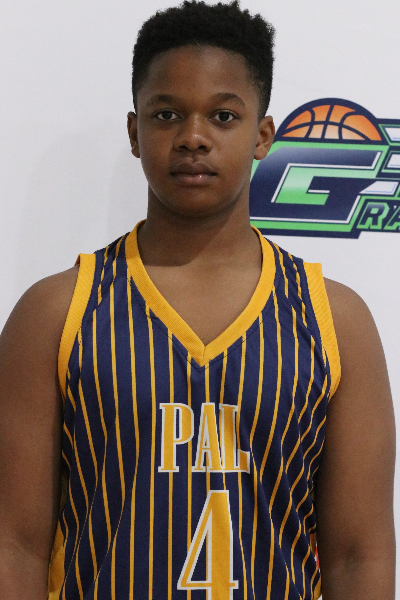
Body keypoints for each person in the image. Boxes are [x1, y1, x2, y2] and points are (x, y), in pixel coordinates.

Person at [0, 2, 396, 599]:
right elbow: (14, 544)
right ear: (135, 133)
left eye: (223, 116)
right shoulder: (56, 312)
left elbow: (358, 555)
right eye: (167, 115)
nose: (192, 137)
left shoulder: (334, 320)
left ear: (262, 135)